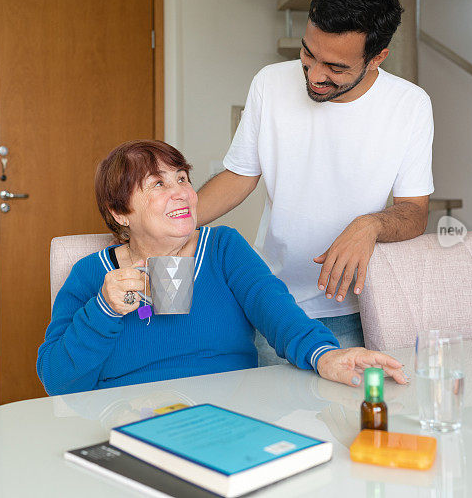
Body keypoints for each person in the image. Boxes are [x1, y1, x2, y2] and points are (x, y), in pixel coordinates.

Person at [37, 140, 408, 395]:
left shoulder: (223, 248)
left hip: (225, 414)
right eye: (157, 185)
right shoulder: (91, 274)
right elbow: (57, 381)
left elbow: (277, 311)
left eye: (182, 178)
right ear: (120, 212)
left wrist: (325, 355)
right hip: (127, 420)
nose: (181, 191)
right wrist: (103, 310)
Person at [196, 0, 434, 364]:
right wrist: (171, 224)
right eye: (308, 54)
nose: (314, 75)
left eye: (336, 68)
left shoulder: (409, 105)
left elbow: (415, 212)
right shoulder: (269, 84)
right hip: (267, 304)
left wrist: (369, 224)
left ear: (376, 59)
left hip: (354, 310)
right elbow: (240, 176)